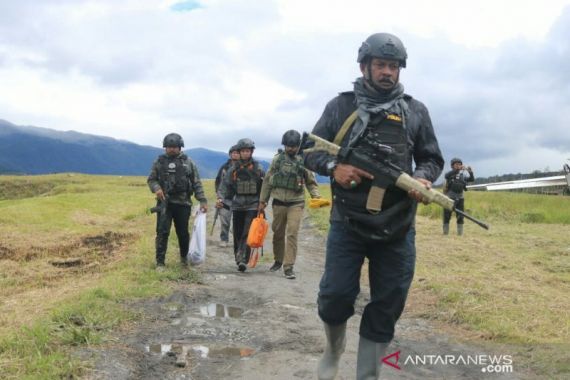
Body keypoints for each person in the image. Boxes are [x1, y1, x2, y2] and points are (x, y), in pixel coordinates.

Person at [303, 33, 444, 379]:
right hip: (347, 222)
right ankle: (333, 352)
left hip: (397, 226)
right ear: (365, 66)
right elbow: (310, 150)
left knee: (388, 303)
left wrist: (423, 179)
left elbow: (431, 158)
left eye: (393, 66)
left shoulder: (415, 110)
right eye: (380, 65)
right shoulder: (341, 106)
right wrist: (335, 169)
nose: (387, 72)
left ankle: (367, 374)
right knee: (335, 296)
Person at [258, 130, 322, 280]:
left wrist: (316, 196)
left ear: (298, 145)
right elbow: (267, 181)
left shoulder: (304, 161)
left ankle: (288, 266)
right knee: (278, 233)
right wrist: (262, 201)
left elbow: (311, 182)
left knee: (292, 233)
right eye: (288, 146)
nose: (290, 149)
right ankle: (278, 260)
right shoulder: (277, 160)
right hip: (278, 202)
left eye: (293, 146)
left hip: (296, 202)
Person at [147, 133, 208, 270]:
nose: (172, 149)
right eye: (169, 147)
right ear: (165, 148)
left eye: (175, 147)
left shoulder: (188, 162)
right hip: (164, 204)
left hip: (183, 203)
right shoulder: (159, 161)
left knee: (183, 233)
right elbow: (151, 179)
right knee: (162, 232)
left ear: (180, 147)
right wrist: (156, 188)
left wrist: (202, 200)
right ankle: (160, 262)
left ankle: (184, 259)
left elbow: (196, 182)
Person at [217, 138, 265, 272]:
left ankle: (244, 258)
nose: (245, 153)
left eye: (247, 151)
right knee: (237, 232)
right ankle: (238, 258)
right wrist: (220, 198)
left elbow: (265, 185)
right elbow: (224, 185)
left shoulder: (258, 168)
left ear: (251, 152)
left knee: (247, 232)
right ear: (239, 152)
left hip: (253, 205)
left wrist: (263, 202)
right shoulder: (233, 169)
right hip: (237, 205)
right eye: (243, 151)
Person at [215, 145, 240, 247]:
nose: (235, 155)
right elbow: (218, 181)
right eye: (233, 153)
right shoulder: (224, 167)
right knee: (224, 220)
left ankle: (238, 240)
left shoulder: (244, 166)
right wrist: (219, 196)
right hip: (226, 198)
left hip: (239, 198)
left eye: (237, 153)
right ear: (230, 154)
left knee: (238, 221)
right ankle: (224, 239)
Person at [442, 157, 474, 235]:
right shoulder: (449, 174)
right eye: (456, 164)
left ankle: (460, 233)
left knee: (460, 216)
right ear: (452, 166)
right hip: (449, 197)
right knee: (447, 215)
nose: (458, 166)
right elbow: (446, 176)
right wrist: (456, 170)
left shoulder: (462, 175)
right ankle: (445, 233)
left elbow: (471, 179)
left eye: (460, 164)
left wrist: (470, 172)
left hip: (460, 198)